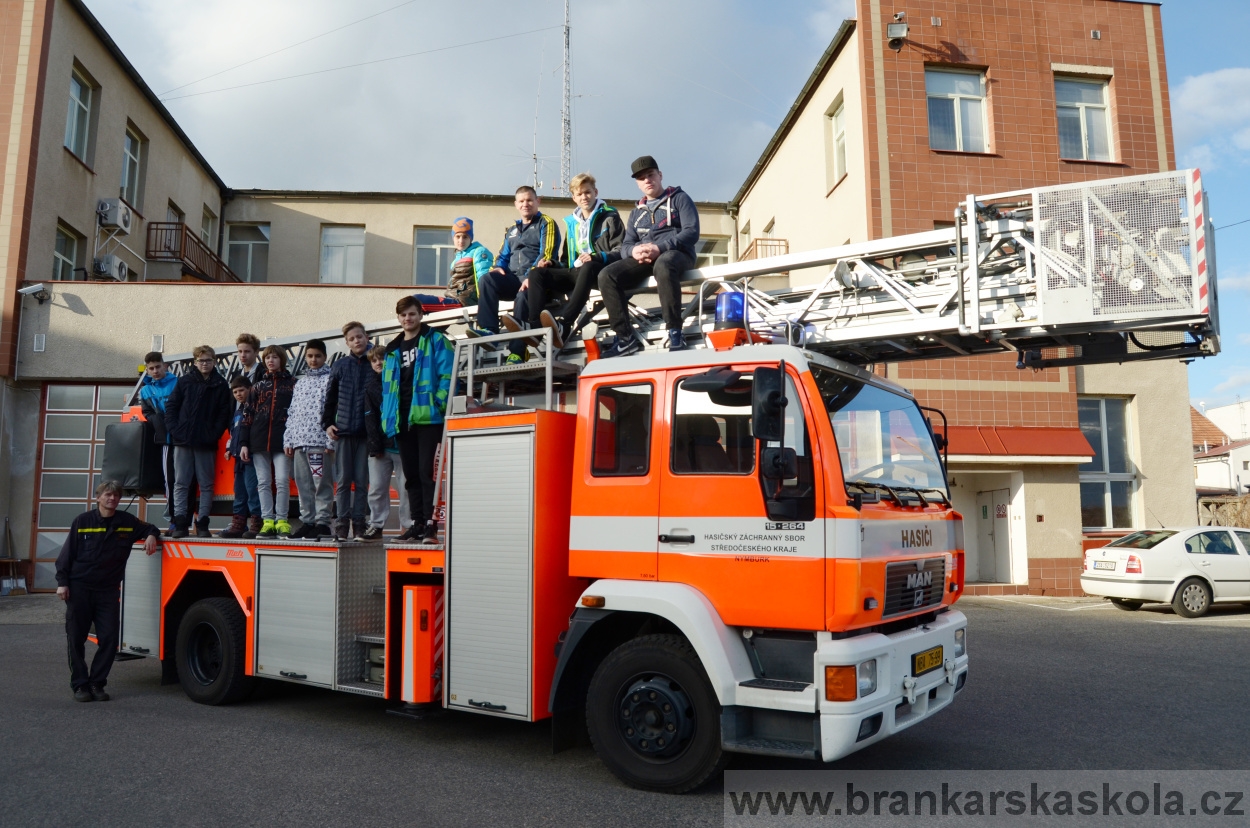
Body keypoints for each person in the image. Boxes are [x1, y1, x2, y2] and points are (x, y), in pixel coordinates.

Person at [56, 480, 160, 702]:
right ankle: (80, 685)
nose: (112, 498)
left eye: (116, 496)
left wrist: (152, 535)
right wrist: (62, 582)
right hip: (79, 589)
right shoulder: (82, 522)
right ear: (98, 497)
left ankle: (97, 683)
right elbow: (67, 554)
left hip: (107, 592)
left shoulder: (126, 522)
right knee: (76, 638)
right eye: (108, 495)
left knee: (110, 638)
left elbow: (151, 527)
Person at [598, 155, 701, 356]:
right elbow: (626, 244)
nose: (647, 180)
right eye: (641, 178)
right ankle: (625, 338)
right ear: (637, 184)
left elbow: (691, 232)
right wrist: (633, 251)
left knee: (663, 264)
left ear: (660, 175)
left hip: (677, 254)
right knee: (606, 275)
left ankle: (675, 331)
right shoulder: (636, 213)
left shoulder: (680, 198)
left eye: (650, 175)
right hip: (646, 258)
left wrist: (660, 248)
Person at [522, 172, 624, 350]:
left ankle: (565, 324)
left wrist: (596, 256)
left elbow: (621, 250)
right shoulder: (572, 223)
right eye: (579, 194)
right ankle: (535, 326)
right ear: (574, 198)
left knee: (588, 265)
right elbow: (566, 261)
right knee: (537, 273)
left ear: (595, 192)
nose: (584, 197)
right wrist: (552, 264)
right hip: (576, 272)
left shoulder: (610, 217)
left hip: (600, 271)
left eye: (588, 192)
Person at [381, 296, 454, 543]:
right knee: (410, 475)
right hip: (401, 419)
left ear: (420, 315)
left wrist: (439, 403)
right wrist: (387, 417)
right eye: (403, 315)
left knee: (427, 473)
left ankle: (431, 527)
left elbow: (449, 374)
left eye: (411, 314)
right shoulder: (392, 349)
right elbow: (386, 389)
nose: (407, 319)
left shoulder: (435, 340)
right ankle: (417, 524)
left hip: (429, 419)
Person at [471, 186, 560, 354]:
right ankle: (489, 331)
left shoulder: (546, 223)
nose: (525, 204)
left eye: (529, 200)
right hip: (514, 279)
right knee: (487, 279)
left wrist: (530, 276)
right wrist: (497, 268)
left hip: (538, 281)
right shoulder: (512, 230)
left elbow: (547, 254)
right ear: (516, 204)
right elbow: (503, 256)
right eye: (521, 201)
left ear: (537, 201)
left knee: (522, 296)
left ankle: (517, 352)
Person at [164, 345, 232, 538]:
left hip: (206, 442)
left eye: (208, 360)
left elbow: (223, 413)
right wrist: (175, 430)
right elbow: (172, 407)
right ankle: (180, 524)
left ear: (214, 361)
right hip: (183, 440)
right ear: (195, 362)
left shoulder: (220, 384)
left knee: (206, 484)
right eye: (201, 360)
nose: (205, 364)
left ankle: (202, 524)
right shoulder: (184, 381)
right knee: (181, 483)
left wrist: (214, 434)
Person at [322, 322, 373, 541]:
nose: (357, 341)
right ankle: (341, 524)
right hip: (342, 432)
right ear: (347, 342)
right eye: (352, 339)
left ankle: (359, 524)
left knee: (361, 481)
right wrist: (327, 424)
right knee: (343, 481)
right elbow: (330, 399)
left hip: (365, 432)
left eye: (359, 337)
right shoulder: (340, 366)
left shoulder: (376, 362)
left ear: (366, 337)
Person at [240, 345, 296, 538]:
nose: (270, 361)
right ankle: (267, 521)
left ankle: (282, 520)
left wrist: (293, 439)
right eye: (267, 358)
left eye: (274, 357)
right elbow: (247, 415)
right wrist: (243, 443)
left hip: (283, 440)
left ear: (282, 359)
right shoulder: (257, 386)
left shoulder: (293, 384)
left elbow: (297, 414)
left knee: (281, 481)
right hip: (258, 440)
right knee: (263, 482)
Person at [284, 339, 335, 540]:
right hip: (299, 443)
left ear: (324, 357)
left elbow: (332, 412)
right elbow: (293, 412)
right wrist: (288, 439)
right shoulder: (300, 383)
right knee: (303, 484)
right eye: (310, 356)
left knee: (321, 482)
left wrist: (330, 441)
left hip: (318, 443)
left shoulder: (330, 379)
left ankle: (322, 522)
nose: (313, 360)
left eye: (318, 356)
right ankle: (307, 521)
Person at [362, 345, 412, 541]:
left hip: (401, 444)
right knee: (376, 488)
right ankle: (376, 526)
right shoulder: (371, 387)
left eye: (382, 358)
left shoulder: (402, 381)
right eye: (374, 360)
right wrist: (375, 446)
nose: (378, 363)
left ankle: (408, 526)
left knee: (406, 487)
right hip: (380, 446)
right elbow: (370, 417)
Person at [138, 351, 178, 533]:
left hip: (183, 438)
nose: (155, 371)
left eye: (158, 367)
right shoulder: (145, 390)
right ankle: (174, 519)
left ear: (165, 366)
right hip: (165, 441)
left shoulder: (178, 383)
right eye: (151, 368)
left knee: (185, 480)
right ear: (147, 370)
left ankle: (188, 518)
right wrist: (158, 422)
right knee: (169, 480)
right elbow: (147, 412)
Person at [218, 375, 260, 538]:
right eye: (235, 392)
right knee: (239, 491)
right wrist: (230, 448)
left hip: (250, 458)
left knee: (252, 490)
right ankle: (238, 523)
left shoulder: (255, 408)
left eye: (241, 390)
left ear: (250, 389)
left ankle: (256, 522)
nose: (238, 394)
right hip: (237, 458)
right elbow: (234, 434)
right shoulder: (237, 412)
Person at [445, 217, 493, 306]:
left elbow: (484, 279)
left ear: (470, 239)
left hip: (466, 300)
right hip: (452, 297)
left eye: (465, 237)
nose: (461, 241)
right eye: (458, 237)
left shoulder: (479, 252)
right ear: (453, 238)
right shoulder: (455, 261)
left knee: (421, 301)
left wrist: (485, 306)